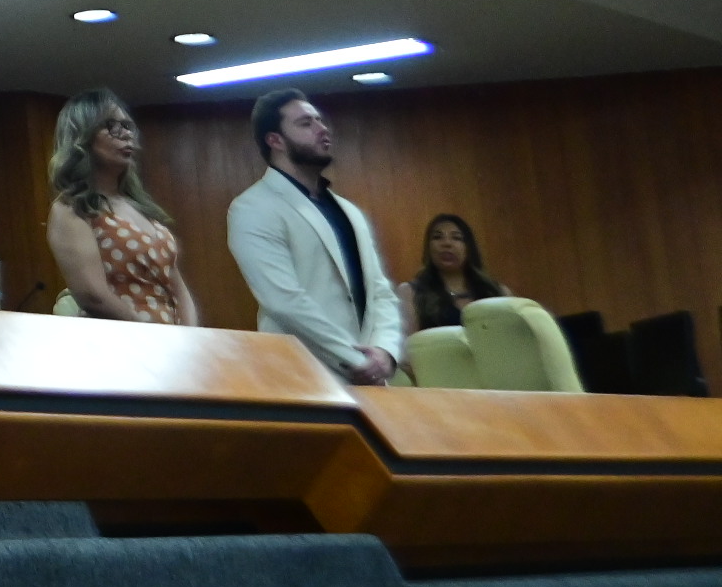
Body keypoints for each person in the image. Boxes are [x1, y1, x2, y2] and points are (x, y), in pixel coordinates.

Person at [226, 89, 401, 383]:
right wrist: (356, 360)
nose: (322, 129)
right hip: (301, 375)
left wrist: (385, 352)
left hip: (369, 375)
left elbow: (379, 290)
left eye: (319, 120)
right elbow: (283, 300)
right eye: (306, 123)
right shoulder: (253, 207)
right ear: (275, 140)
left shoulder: (348, 210)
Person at [43, 90, 198, 324]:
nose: (126, 134)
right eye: (111, 126)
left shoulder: (141, 207)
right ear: (82, 138)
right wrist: (149, 334)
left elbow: (176, 285)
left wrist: (191, 334)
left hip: (171, 339)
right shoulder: (71, 209)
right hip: (120, 338)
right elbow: (92, 295)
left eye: (127, 126)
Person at [399, 212, 510, 338]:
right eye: (437, 237)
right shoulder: (411, 293)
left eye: (457, 238)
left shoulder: (497, 292)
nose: (447, 243)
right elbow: (409, 346)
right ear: (428, 247)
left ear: (469, 248)